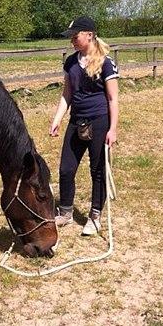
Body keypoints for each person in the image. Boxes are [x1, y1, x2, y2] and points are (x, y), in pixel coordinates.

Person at [49, 16, 119, 236]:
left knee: (97, 170)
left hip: (99, 121)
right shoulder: (71, 62)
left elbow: (112, 99)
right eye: (71, 37)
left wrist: (113, 128)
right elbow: (67, 94)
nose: (72, 41)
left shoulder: (106, 63)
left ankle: (95, 216)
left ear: (89, 35)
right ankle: (66, 212)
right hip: (76, 120)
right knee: (66, 168)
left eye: (75, 36)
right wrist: (58, 118)